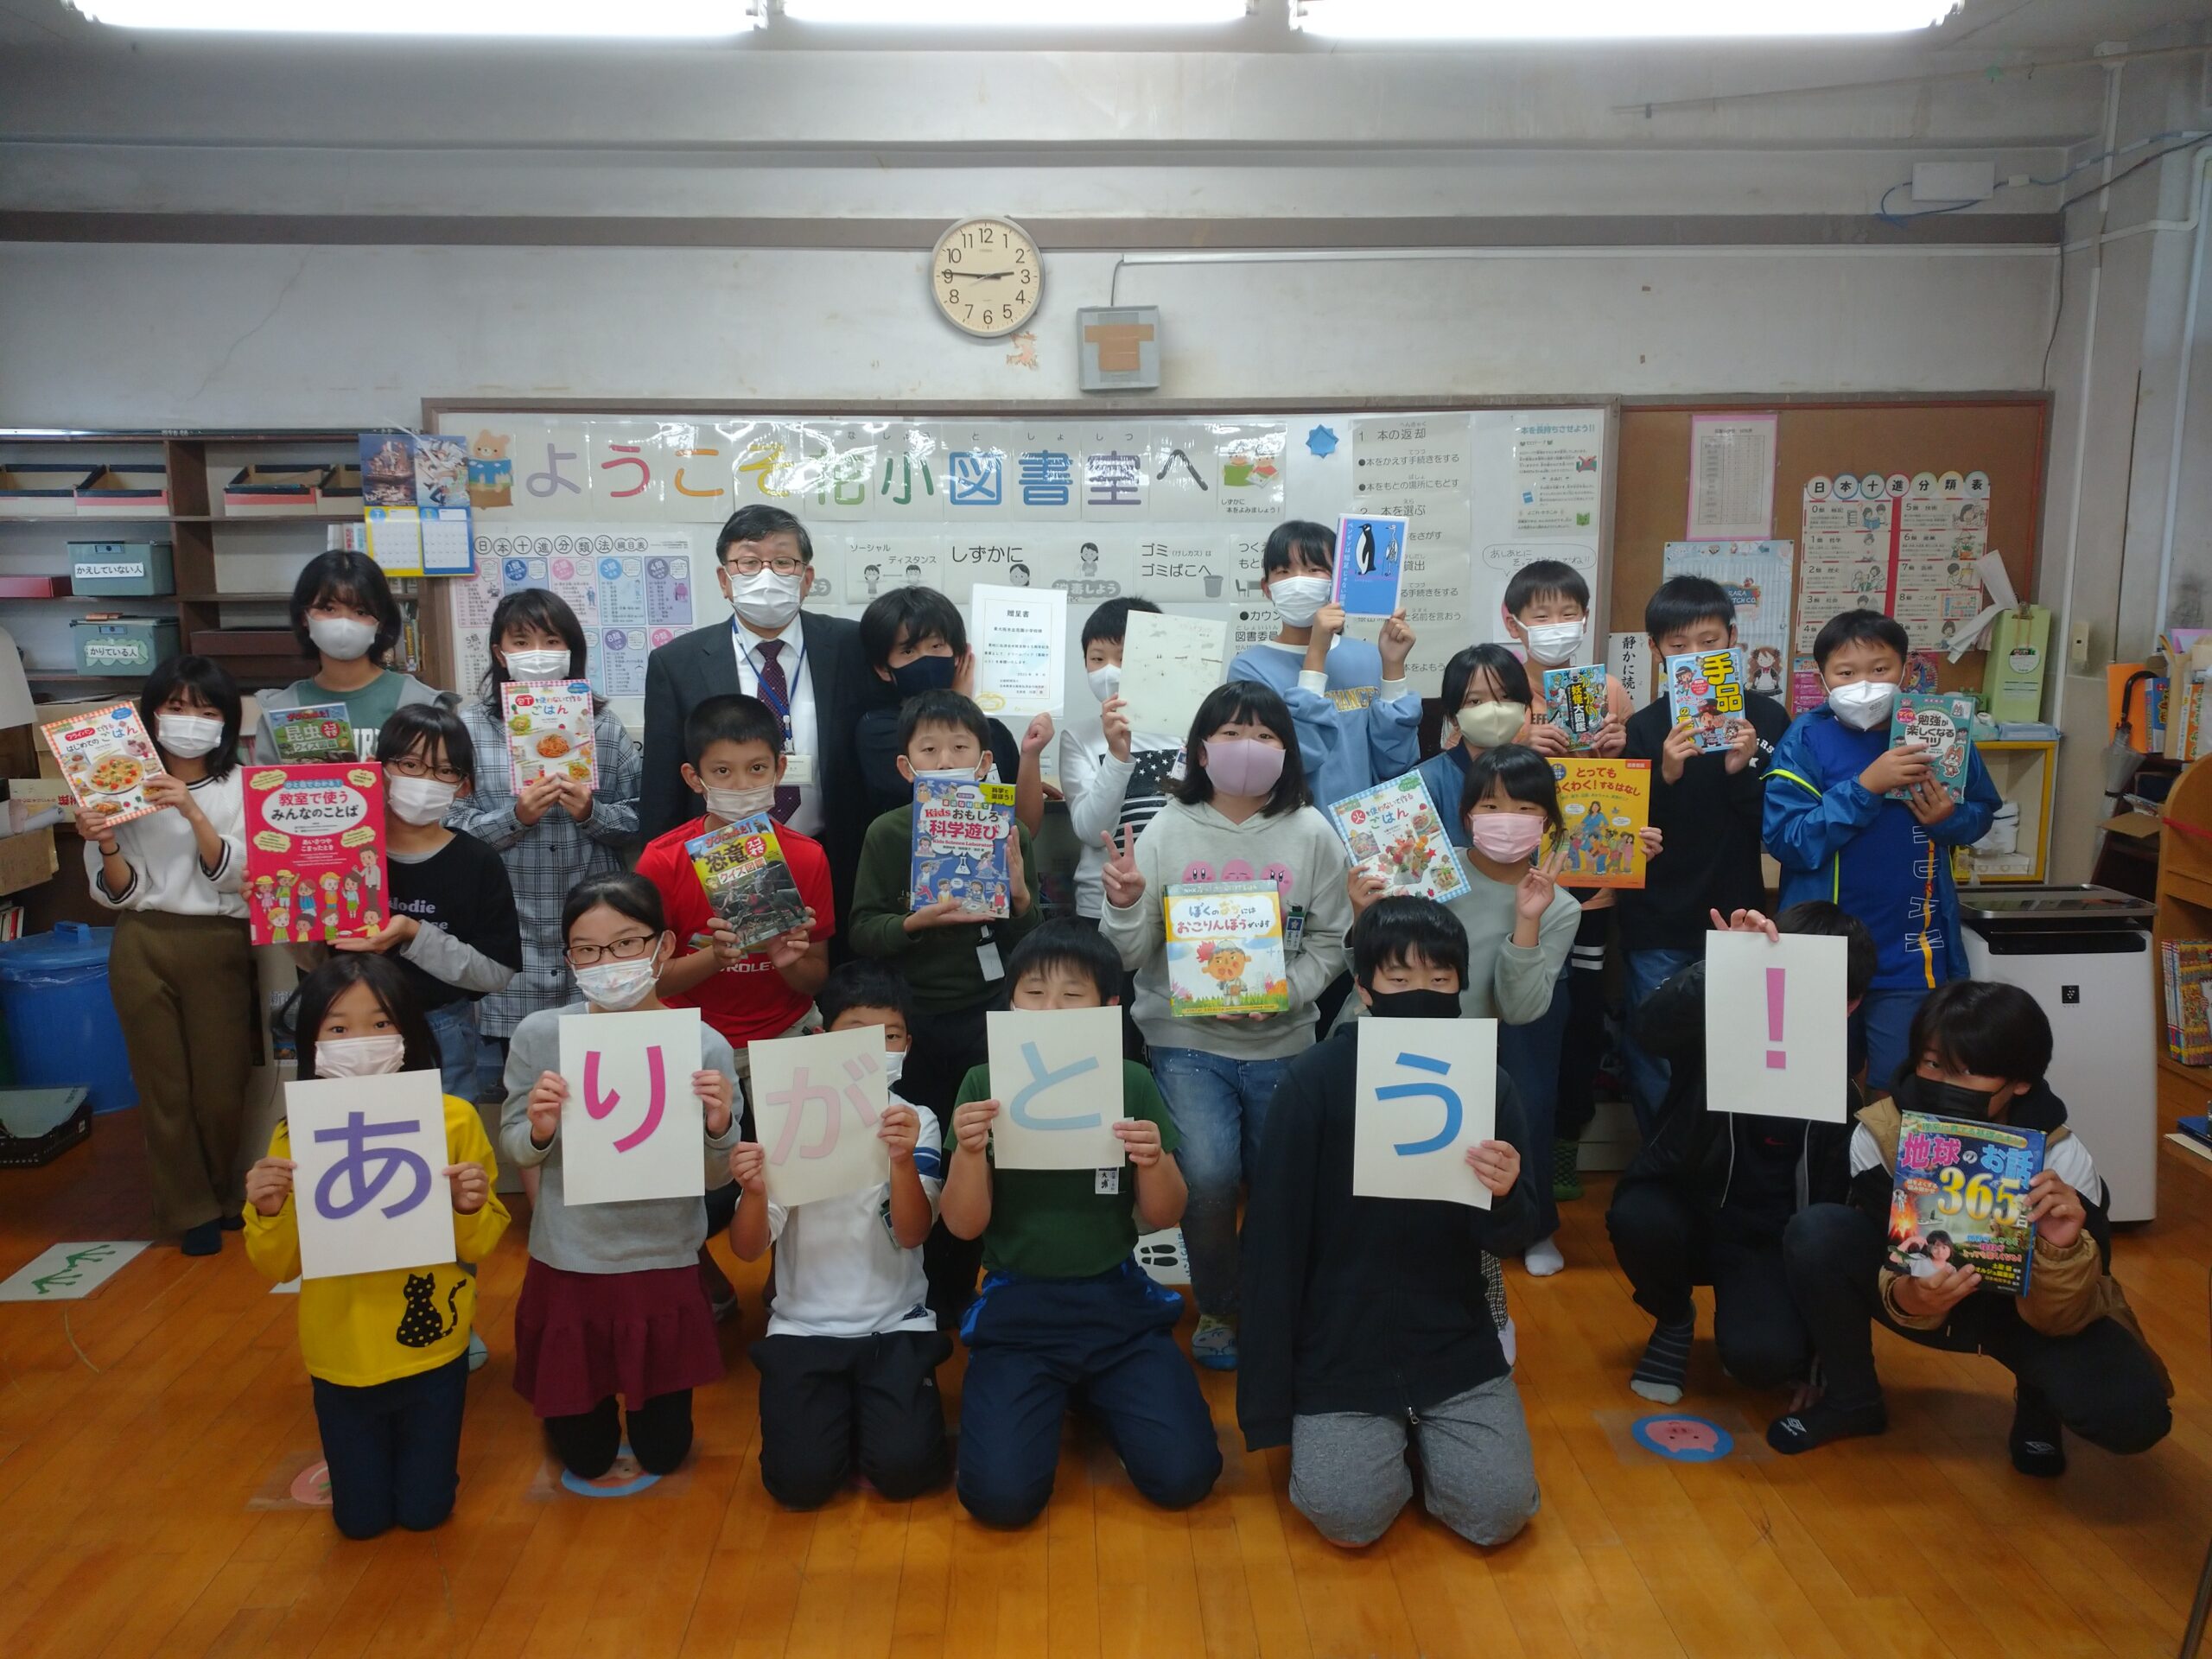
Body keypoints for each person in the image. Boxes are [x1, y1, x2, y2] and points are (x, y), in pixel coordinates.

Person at [1238, 898, 1541, 1550]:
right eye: (1399, 979)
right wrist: (1267, 1403)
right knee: (1349, 1516)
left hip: (1453, 1341)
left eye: (1440, 979)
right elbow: (1272, 1243)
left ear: (1461, 984)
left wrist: (1508, 1193)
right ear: (1366, 989)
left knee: (1499, 1512)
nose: (1421, 993)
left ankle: (1430, 1444)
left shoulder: (1489, 1083)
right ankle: (1390, 1447)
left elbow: (1512, 1238)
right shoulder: (1314, 1082)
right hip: (1338, 1346)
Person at [1769, 981, 2171, 1469]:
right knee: (1817, 1232)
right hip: (1923, 1288)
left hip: (2024, 1314)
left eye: (1970, 1071)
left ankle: (2039, 1410)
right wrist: (1910, 1297)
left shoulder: (2063, 1160)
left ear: (2020, 1082)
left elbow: (2070, 1313)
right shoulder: (1879, 1136)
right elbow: (1883, 1250)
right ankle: (1853, 1402)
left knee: (2134, 1415)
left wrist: (2059, 1251)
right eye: (1934, 1064)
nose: (1945, 1084)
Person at [1098, 680, 1351, 1370]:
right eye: (1233, 734)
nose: (1250, 749)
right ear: (1201, 751)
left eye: (1267, 736)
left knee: (1285, 1179)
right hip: (1186, 1042)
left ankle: (1281, 1303)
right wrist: (1123, 903)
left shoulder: (1312, 833)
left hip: (1285, 1040)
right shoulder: (1167, 830)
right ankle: (1221, 1302)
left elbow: (1333, 941)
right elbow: (1125, 954)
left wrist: (1284, 993)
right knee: (1207, 1175)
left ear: (1288, 752)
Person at [939, 921, 1220, 1528]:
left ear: (1107, 1006)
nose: (1050, 1008)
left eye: (1073, 995)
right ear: (1010, 1002)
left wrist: (1154, 1157)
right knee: (999, 1501)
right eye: (1034, 993)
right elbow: (964, 1229)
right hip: (1018, 1308)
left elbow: (1164, 1214)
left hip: (1118, 1305)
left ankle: (1094, 1394)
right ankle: (1065, 1395)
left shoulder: (1133, 1082)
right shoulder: (983, 1085)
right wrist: (966, 1152)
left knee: (1185, 1477)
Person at [242, 954, 510, 1539]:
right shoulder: (295, 1134)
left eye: (381, 1023)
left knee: (424, 1510)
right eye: (338, 1028)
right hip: (340, 1351)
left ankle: (427, 1474)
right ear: (312, 1043)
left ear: (409, 1034)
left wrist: (469, 1204)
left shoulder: (454, 1119)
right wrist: (267, 1209)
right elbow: (277, 1261)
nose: (360, 1041)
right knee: (359, 1522)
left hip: (434, 1349)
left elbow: (483, 1238)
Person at [500, 874, 743, 1478]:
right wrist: (538, 1127)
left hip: (662, 1258)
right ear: (569, 959)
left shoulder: (703, 1045)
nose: (608, 962)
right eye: (587, 949)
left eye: (626, 944)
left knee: (665, 1451)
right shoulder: (541, 1037)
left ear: (664, 946)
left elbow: (717, 1177)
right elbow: (516, 1150)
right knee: (585, 1457)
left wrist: (719, 1126)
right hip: (572, 1259)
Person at [1345, 741, 1580, 1362]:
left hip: (1458, 1067)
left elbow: (1523, 1008)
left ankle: (1481, 1310)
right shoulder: (1423, 865)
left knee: (1457, 1199)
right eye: (1490, 804)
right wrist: (1361, 915)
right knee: (1368, 1196)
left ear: (1548, 822)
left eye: (1525, 806)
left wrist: (1527, 920)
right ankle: (1362, 1318)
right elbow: (1368, 968)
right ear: (1466, 813)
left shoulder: (1559, 905)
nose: (1506, 817)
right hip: (1376, 1046)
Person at [1605, 903, 1872, 1407]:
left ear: (1851, 1004)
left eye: (1822, 990)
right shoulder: (1718, 1025)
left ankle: (1765, 1327)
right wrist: (1725, 967)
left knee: (1763, 1362)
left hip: (1769, 1242)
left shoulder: (1843, 1095)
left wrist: (1824, 1355)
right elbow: (1649, 1028)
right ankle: (1673, 1319)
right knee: (1637, 1216)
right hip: (1693, 1210)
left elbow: (1835, 1234)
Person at [849, 687, 1044, 1321]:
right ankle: (922, 1280)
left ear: (985, 761)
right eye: (929, 749)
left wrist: (1016, 891)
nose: (946, 758)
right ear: (906, 766)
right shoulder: (887, 832)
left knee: (986, 1145)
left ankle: (974, 1276)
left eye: (961, 747)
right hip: (912, 1019)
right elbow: (862, 931)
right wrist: (914, 922)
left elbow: (1028, 944)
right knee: (921, 1144)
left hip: (987, 1012)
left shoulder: (1003, 823)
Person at [727, 962, 950, 1508]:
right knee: (798, 1483)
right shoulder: (790, 1118)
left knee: (906, 1473)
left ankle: (872, 1415)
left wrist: (900, 1161)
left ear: (907, 1045)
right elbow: (748, 1247)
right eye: (857, 1035)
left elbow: (914, 1232)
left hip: (896, 1324)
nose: (876, 1049)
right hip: (803, 1329)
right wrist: (755, 1192)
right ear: (821, 1038)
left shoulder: (915, 1118)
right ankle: (844, 1417)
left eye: (890, 1036)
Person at [1764, 609, 1999, 1087]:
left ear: (1906, 670)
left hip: (1913, 949)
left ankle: (1885, 1163)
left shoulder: (1940, 732)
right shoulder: (1806, 737)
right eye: (1846, 673)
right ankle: (1829, 1163)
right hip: (1823, 949)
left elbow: (1982, 813)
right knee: (1814, 1085)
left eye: (1880, 669)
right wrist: (1866, 787)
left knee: (1903, 1086)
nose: (1865, 683)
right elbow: (1788, 840)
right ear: (1822, 677)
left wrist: (1949, 819)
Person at [82, 654, 253, 1255]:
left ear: (226, 721)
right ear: (150, 714)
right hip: (142, 941)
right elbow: (118, 891)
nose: (190, 721)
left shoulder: (239, 784)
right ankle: (191, 1210)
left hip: (219, 943)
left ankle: (224, 1191)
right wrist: (105, 843)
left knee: (221, 1088)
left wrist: (189, 808)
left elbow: (237, 876)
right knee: (164, 1089)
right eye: (176, 707)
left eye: (206, 710)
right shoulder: (115, 780)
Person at [450, 588, 639, 1115]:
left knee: (605, 1090)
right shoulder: (468, 731)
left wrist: (592, 813)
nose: (538, 651)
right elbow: (450, 829)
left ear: (571, 651)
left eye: (551, 640)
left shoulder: (601, 726)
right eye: (522, 640)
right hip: (510, 938)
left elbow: (643, 815)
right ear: (498, 652)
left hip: (597, 941)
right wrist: (516, 816)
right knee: (528, 1100)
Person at [639, 505, 868, 932]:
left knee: (828, 977)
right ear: (725, 580)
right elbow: (660, 788)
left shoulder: (852, 645)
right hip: (721, 863)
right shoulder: (677, 662)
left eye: (782, 561)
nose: (767, 574)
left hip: (836, 855)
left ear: (806, 579)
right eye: (749, 562)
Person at [1617, 577, 1790, 1134]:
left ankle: (1729, 1168)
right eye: (1678, 645)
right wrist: (1666, 776)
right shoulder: (1642, 729)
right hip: (1657, 920)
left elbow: (1778, 827)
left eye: (1710, 642)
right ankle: (1662, 1164)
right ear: (1655, 651)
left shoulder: (1767, 720)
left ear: (1734, 642)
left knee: (1738, 1048)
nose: (1695, 656)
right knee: (1656, 1048)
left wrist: (1741, 774)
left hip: (1738, 913)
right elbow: (1628, 840)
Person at [1503, 557, 1637, 1250]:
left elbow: (1629, 787)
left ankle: (1562, 1144)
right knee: (1522, 1016)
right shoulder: (1497, 686)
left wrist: (1621, 743)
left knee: (1580, 1017)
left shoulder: (1607, 688)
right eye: (1542, 613)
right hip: (1517, 877)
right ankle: (1514, 1146)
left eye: (1567, 614)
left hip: (1589, 878)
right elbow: (1465, 765)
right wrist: (1523, 740)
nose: (1556, 627)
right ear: (1513, 621)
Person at [637, 693, 832, 1071]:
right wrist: (716, 956)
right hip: (691, 1038)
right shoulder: (661, 859)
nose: (742, 785)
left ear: (780, 769)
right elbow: (649, 982)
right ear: (695, 778)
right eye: (722, 771)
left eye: (757, 768)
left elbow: (815, 978)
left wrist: (786, 959)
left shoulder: (808, 856)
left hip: (786, 1033)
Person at [345, 705, 521, 1103]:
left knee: (448, 1151)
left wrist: (413, 934)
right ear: (380, 770)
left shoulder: (477, 861)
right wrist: (277, 907)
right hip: (348, 1028)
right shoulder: (345, 851)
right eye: (409, 764)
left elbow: (495, 972)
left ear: (463, 786)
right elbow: (313, 957)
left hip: (442, 1027)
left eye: (443, 771)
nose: (425, 780)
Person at [1225, 518, 1419, 810]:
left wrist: (1392, 667)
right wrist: (1316, 652)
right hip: (1293, 832)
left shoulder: (1368, 656)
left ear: (1339, 581)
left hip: (1366, 833)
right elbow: (1297, 758)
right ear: (1267, 588)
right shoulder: (1249, 668)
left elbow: (1395, 760)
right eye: (1283, 571)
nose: (1300, 581)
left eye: (1315, 569)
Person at [852, 585, 1046, 836]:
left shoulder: (994, 732)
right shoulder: (878, 730)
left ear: (958, 654)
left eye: (937, 647)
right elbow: (941, 800)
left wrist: (1031, 756)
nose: (926, 659)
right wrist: (953, 704)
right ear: (883, 668)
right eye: (908, 651)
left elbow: (1026, 830)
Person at [1058, 597, 1180, 925]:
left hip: (1180, 898)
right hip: (1102, 903)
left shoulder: (1187, 729)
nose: (1109, 670)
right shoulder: (1078, 737)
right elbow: (1091, 829)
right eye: (1097, 659)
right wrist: (1116, 755)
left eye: (1124, 658)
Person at [252, 550, 438, 761]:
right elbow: (266, 789)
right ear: (304, 616)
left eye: (361, 612)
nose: (343, 623)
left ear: (381, 622)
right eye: (328, 608)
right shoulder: (280, 710)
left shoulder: (421, 702)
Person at [1412, 644, 1536, 849]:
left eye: (1505, 697)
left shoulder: (1537, 774)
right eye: (1476, 701)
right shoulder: (1425, 782)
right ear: (1453, 716)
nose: (1494, 710)